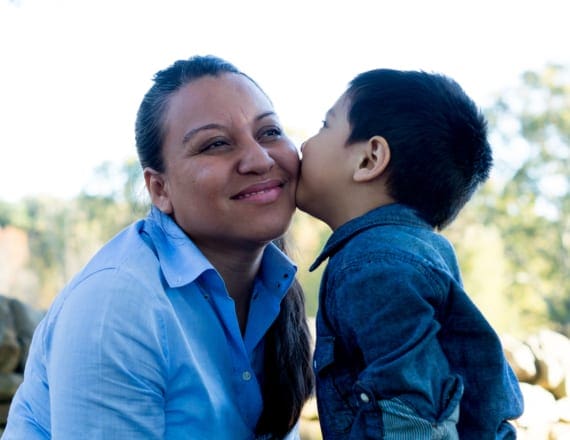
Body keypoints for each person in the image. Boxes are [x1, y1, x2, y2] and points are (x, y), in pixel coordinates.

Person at [3, 55, 314, 440]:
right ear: (160, 189)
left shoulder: (274, 290)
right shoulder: (119, 304)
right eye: (216, 143)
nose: (259, 158)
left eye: (268, 132)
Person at [296, 68, 524, 439]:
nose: (305, 145)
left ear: (370, 159)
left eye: (325, 126)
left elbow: (411, 417)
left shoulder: (374, 264)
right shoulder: (414, 249)